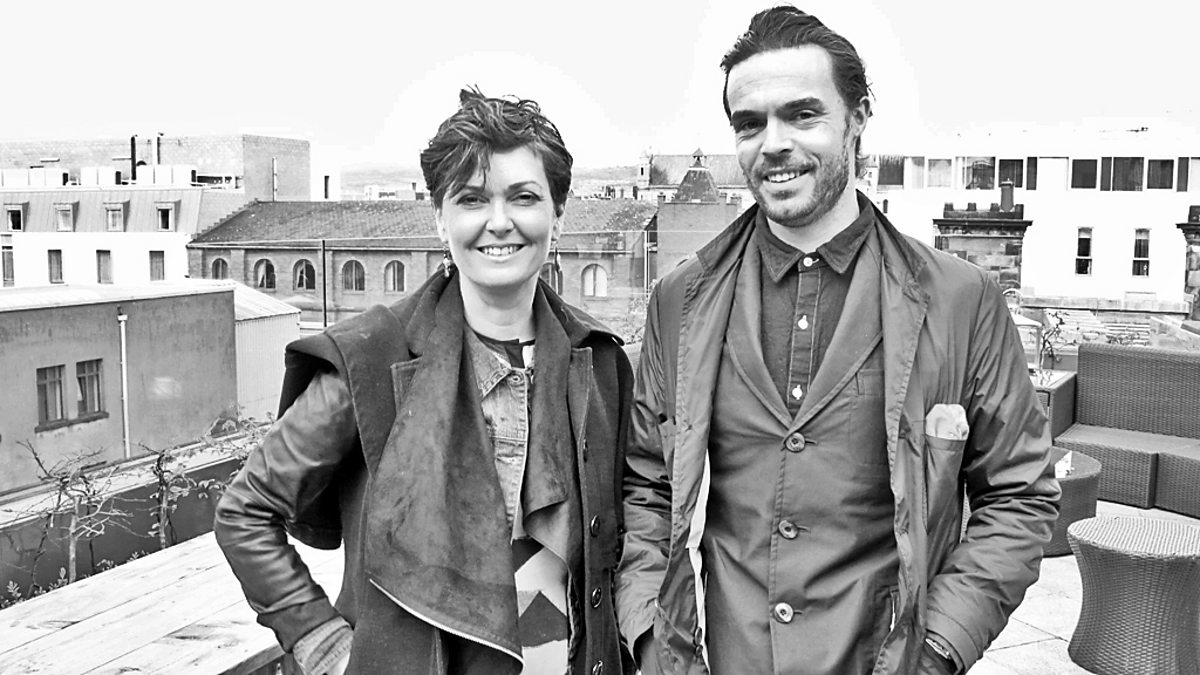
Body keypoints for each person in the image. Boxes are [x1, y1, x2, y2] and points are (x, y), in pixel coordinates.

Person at [615, 7, 1060, 675]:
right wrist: (656, 644)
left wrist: (937, 650)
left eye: (802, 115)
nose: (773, 143)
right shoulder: (681, 298)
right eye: (750, 124)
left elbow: (1018, 496)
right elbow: (648, 485)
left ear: (857, 119)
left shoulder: (960, 299)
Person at [215, 89, 634, 675]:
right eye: (471, 199)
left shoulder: (600, 360)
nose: (499, 222)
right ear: (440, 218)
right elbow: (245, 511)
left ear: (557, 214)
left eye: (524, 197)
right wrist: (322, 642)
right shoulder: (371, 358)